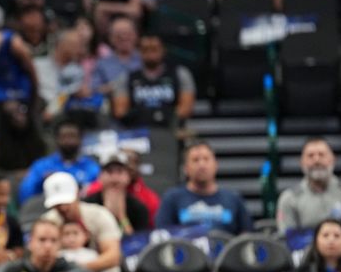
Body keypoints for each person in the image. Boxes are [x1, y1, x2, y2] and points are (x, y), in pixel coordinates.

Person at [112, 33, 196, 192]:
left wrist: (156, 115)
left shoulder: (179, 74)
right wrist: (155, 113)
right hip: (137, 135)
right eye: (145, 49)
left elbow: (186, 108)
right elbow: (120, 110)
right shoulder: (128, 78)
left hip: (170, 133)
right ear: (139, 52)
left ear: (163, 50)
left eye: (154, 49)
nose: (150, 53)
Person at [276, 137, 341, 231]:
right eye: (310, 156)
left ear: (333, 159)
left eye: (322, 155)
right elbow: (286, 240)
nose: (316, 160)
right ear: (301, 162)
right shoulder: (289, 199)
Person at [156, 141, 252, 234]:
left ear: (216, 165)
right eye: (195, 160)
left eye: (206, 159)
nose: (201, 165)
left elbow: (246, 239)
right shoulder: (172, 199)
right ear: (185, 168)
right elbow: (163, 237)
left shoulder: (233, 199)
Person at [17, 118, 100, 205]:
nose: (68, 141)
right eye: (64, 136)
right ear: (57, 139)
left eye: (72, 136)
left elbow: (99, 188)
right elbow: (24, 196)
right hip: (46, 211)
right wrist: (42, 181)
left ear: (80, 139)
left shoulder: (91, 167)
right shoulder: (42, 166)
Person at [84, 152, 150, 235]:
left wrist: (122, 217)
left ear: (128, 176)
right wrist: (106, 214)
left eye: (120, 172)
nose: (115, 179)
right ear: (100, 176)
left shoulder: (139, 208)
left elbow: (139, 242)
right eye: (109, 172)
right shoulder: (88, 204)